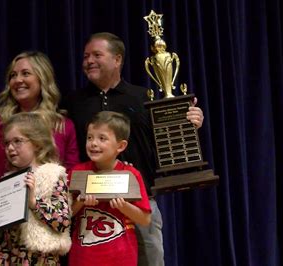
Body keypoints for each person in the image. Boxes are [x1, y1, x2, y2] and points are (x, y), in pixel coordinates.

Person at [63, 32, 204, 266]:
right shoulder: (72, 102)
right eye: (86, 56)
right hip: (89, 206)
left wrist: (188, 122)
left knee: (151, 259)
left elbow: (167, 136)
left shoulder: (143, 97)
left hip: (139, 201)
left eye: (97, 55)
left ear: (117, 59)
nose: (89, 61)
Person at [0, 112, 72, 265]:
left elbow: (63, 222)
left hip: (37, 259)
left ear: (37, 143)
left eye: (18, 141)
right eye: (6, 143)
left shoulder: (52, 176)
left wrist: (34, 203)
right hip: (3, 256)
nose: (10, 148)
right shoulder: (6, 181)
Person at [0, 51, 79, 189]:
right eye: (13, 75)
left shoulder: (63, 125)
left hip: (48, 206)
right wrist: (5, 190)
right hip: (2, 205)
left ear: (42, 78)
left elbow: (72, 172)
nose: (18, 80)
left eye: (25, 73)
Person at [68, 111, 151, 266]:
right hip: (83, 257)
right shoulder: (77, 172)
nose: (93, 143)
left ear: (120, 146)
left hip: (121, 257)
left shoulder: (131, 174)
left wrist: (123, 206)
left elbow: (145, 220)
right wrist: (80, 202)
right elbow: (66, 215)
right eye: (90, 137)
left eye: (102, 138)